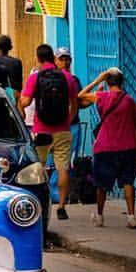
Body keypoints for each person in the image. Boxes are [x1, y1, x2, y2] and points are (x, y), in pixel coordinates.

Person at [18, 43, 86, 221]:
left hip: (41, 130)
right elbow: (75, 103)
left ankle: (39, 203)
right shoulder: (67, 78)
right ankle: (62, 207)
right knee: (63, 168)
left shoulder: (35, 77)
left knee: (37, 168)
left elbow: (24, 102)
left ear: (38, 58)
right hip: (63, 130)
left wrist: (21, 108)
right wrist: (68, 120)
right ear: (53, 59)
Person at [79, 68, 136, 228]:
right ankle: (131, 216)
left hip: (105, 148)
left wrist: (97, 81)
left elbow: (78, 97)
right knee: (128, 182)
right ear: (122, 82)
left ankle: (100, 216)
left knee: (101, 185)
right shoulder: (129, 101)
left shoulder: (101, 96)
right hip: (128, 147)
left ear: (107, 82)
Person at [56, 46, 83, 175]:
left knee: (70, 161)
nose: (65, 63)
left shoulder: (75, 80)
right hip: (56, 126)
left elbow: (78, 102)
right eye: (62, 59)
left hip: (72, 126)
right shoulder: (52, 80)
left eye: (67, 59)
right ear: (56, 61)